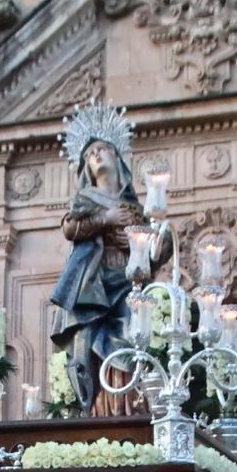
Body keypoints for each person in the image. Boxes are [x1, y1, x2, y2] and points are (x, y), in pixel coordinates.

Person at [48, 102, 172, 416]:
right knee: (86, 342)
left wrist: (161, 243)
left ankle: (128, 406)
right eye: (91, 154)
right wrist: (105, 218)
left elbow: (152, 256)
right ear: (86, 169)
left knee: (135, 341)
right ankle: (86, 407)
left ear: (117, 157)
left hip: (129, 283)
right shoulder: (86, 199)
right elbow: (70, 227)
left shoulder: (137, 209)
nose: (97, 155)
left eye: (102, 149)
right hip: (95, 285)